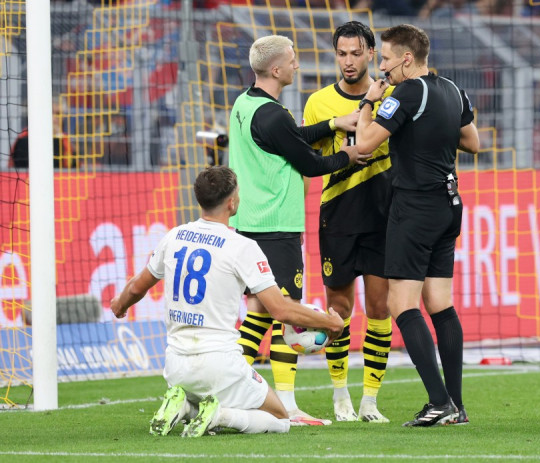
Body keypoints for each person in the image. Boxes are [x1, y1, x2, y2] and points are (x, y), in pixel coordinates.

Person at [110, 166, 345, 437]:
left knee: (208, 392)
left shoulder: (173, 236)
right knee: (280, 418)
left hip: (175, 367)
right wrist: (330, 322)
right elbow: (280, 310)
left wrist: (119, 305)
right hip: (220, 366)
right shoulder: (242, 246)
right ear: (232, 202)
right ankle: (218, 415)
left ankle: (185, 406)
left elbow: (136, 287)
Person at [229, 34, 370, 426]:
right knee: (288, 315)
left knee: (258, 314)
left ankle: (227, 391)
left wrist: (332, 124)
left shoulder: (245, 103)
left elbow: (289, 138)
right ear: (276, 69)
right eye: (293, 60)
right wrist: (348, 155)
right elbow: (309, 163)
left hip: (248, 223)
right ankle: (288, 407)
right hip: (276, 226)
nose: (297, 65)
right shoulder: (273, 115)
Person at [355, 24, 480, 427]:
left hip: (416, 206)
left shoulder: (407, 92)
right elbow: (472, 142)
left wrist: (369, 103)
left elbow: (364, 144)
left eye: (387, 59)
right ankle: (456, 406)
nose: (383, 68)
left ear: (407, 59)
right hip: (449, 202)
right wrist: (431, 132)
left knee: (401, 304)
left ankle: (439, 402)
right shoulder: (454, 90)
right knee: (440, 302)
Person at [302, 21, 393, 424]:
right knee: (338, 310)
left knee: (379, 308)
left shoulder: (392, 97)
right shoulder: (319, 102)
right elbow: (306, 159)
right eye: (342, 54)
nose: (349, 61)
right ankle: (340, 395)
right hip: (338, 216)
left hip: (383, 216)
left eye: (356, 53)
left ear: (371, 53)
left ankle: (370, 400)